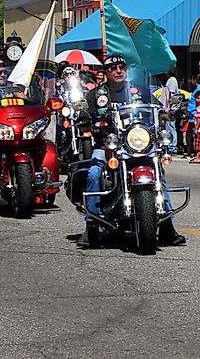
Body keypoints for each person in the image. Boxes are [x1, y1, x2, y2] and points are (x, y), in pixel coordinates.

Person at [79, 55, 185, 248]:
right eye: (113, 68)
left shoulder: (139, 91)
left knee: (159, 173)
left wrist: (167, 113)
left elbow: (158, 109)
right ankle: (91, 224)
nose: (118, 71)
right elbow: (83, 114)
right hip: (107, 145)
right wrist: (83, 119)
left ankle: (167, 225)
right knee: (94, 173)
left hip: (137, 143)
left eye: (122, 67)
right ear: (106, 72)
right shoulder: (97, 95)